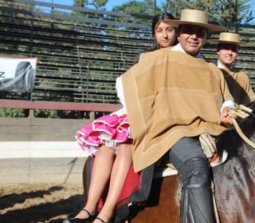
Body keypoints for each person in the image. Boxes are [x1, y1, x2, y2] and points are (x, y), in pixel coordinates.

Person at [120, 9, 235, 223]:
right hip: (173, 133)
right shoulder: (157, 59)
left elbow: (227, 100)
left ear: (205, 37)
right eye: (189, 31)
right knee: (196, 166)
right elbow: (124, 85)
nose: (194, 36)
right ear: (179, 33)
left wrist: (227, 108)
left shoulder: (212, 70)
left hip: (211, 130)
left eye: (199, 32)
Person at [63, 12, 178, 223]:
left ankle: (106, 213)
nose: (165, 35)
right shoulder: (145, 57)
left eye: (169, 30)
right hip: (139, 110)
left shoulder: (180, 56)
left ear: (176, 32)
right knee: (106, 147)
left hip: (161, 115)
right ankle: (89, 207)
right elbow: (129, 87)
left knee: (125, 147)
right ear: (154, 33)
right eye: (160, 30)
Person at [216, 32, 255, 106]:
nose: (230, 52)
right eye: (226, 48)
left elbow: (249, 105)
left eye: (234, 49)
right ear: (218, 51)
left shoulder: (242, 77)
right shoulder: (209, 71)